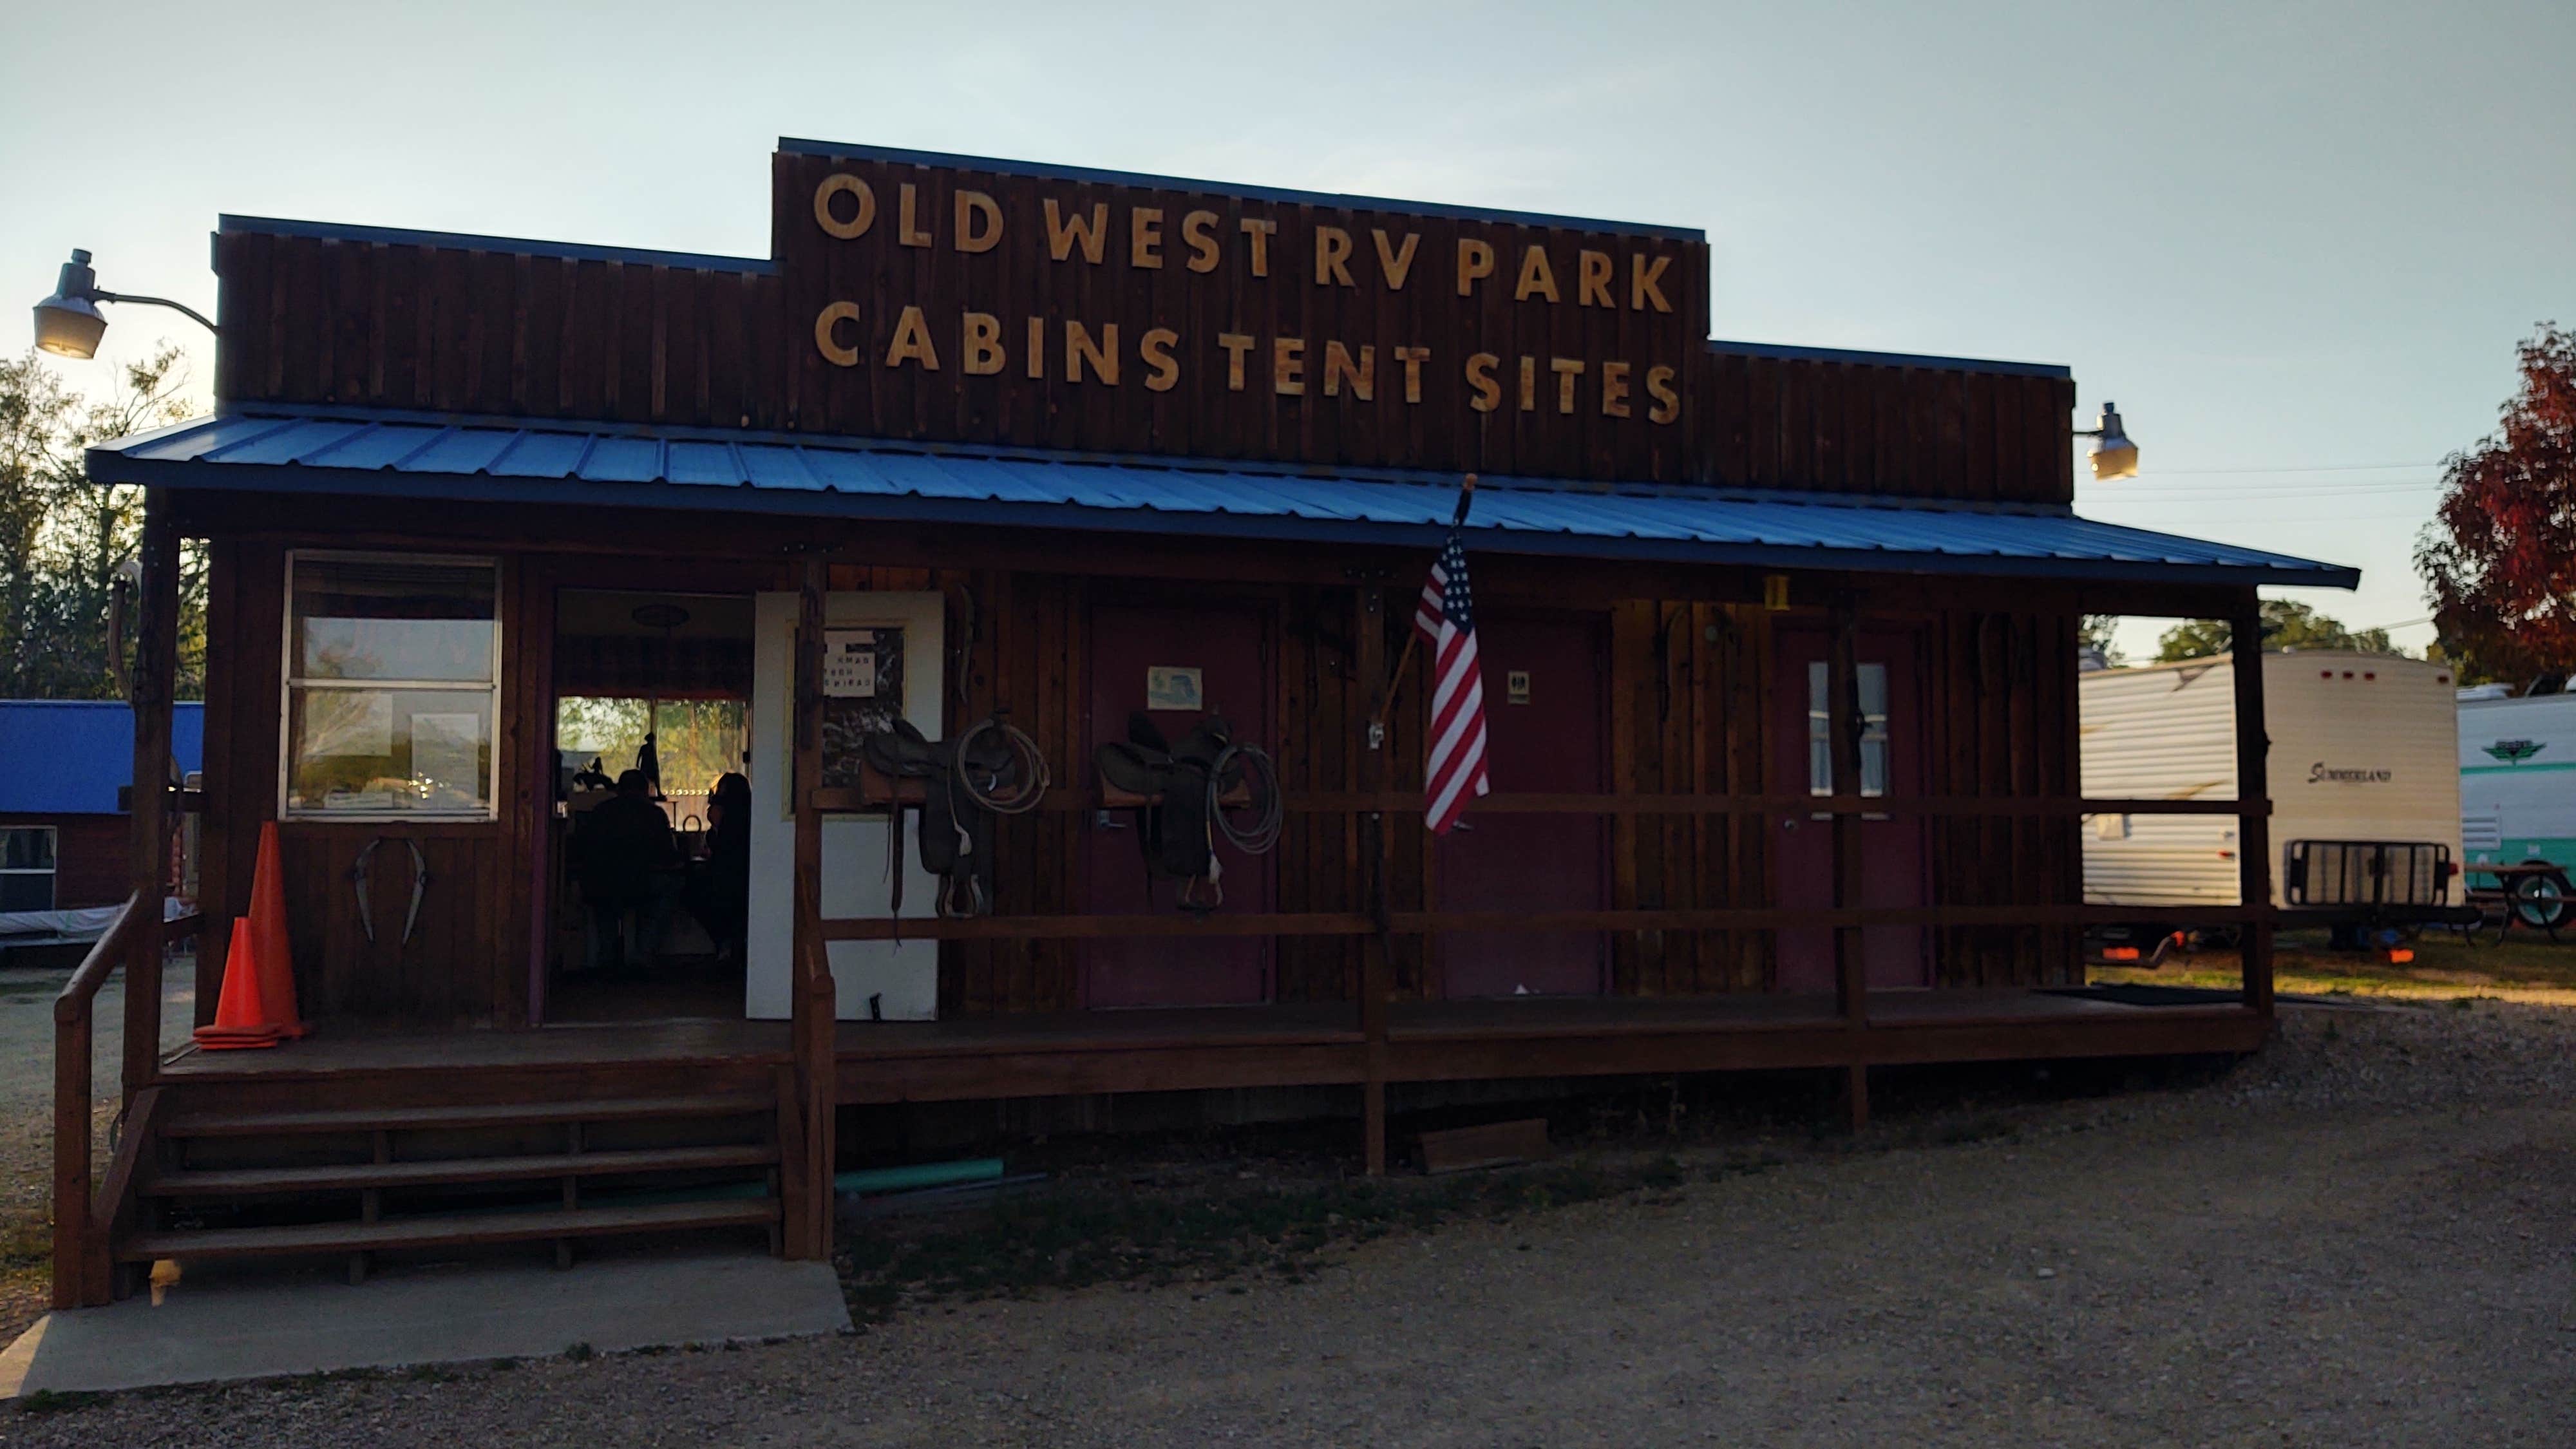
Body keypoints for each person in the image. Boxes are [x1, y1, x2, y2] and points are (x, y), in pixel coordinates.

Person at [575, 769, 675, 974]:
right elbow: (668, 856)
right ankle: (644, 954)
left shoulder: (600, 812)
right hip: (641, 885)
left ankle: (605, 957)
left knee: (603, 908)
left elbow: (583, 849)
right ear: (646, 790)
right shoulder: (654, 814)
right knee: (668, 889)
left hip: (600, 884)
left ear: (619, 790)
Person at [689, 771, 753, 964]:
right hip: (744, 881)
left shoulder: (729, 820)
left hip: (725, 882)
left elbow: (722, 849)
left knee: (692, 893)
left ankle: (725, 944)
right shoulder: (751, 815)